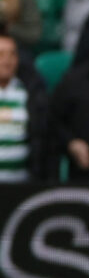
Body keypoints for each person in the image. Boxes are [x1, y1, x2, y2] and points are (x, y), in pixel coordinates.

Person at [0, 33, 45, 183]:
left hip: (21, 187)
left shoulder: (30, 93)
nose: (7, 61)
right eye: (1, 55)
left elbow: (39, 138)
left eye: (12, 55)